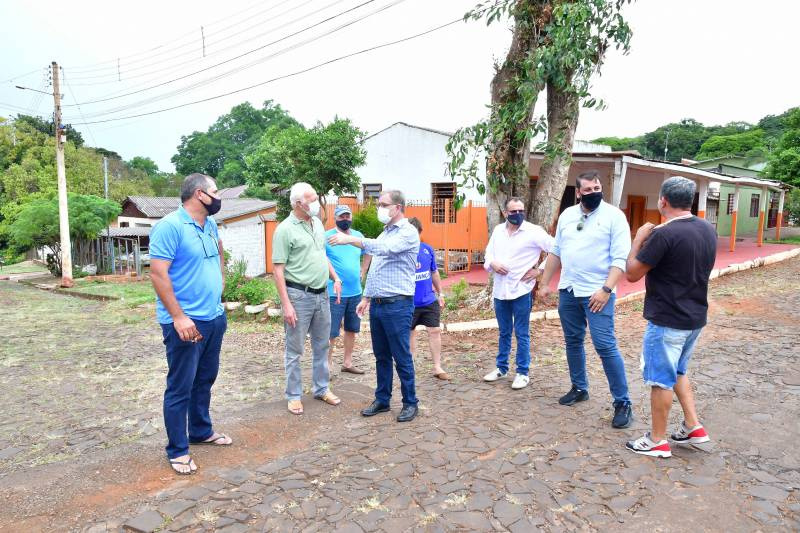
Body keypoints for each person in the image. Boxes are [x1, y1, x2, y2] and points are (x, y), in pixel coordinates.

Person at [624, 176, 717, 457]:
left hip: (667, 319)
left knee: (661, 379)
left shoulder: (664, 234)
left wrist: (639, 238)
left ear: (662, 201)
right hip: (694, 316)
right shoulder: (706, 229)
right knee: (677, 371)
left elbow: (631, 273)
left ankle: (657, 440)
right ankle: (693, 426)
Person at [149, 173, 232, 475]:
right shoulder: (169, 226)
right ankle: (178, 449)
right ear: (199, 194)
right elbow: (158, 274)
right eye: (215, 191)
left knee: (205, 380)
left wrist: (220, 285)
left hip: (213, 317)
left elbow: (220, 253)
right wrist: (179, 316)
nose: (219, 196)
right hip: (186, 322)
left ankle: (200, 430)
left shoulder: (209, 224)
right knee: (180, 387)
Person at [539, 170, 634, 428]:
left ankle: (622, 402)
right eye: (588, 190)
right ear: (578, 192)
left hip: (597, 293)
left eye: (597, 188)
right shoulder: (568, 216)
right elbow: (556, 252)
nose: (594, 193)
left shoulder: (615, 216)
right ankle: (579, 388)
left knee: (605, 345)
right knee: (573, 341)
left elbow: (619, 257)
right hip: (569, 290)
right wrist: (545, 283)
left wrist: (606, 290)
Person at [328, 190, 420, 422]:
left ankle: (410, 402)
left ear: (398, 207)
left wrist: (351, 239)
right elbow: (377, 268)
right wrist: (367, 298)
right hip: (378, 305)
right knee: (381, 356)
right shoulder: (385, 232)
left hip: (398, 305)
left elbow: (383, 250)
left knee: (401, 356)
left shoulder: (407, 232)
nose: (379, 208)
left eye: (383, 204)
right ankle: (383, 399)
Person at [272, 182, 342, 416]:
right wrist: (287, 305)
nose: (316, 203)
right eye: (311, 199)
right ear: (297, 203)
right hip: (298, 295)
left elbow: (320, 254)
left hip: (322, 294)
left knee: (323, 344)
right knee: (295, 349)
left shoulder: (318, 224)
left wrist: (335, 277)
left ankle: (321, 388)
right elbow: (278, 269)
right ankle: (293, 395)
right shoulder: (284, 229)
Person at [482, 197, 554, 390]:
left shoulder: (533, 231)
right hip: (500, 290)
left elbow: (556, 249)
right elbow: (488, 254)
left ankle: (522, 372)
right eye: (513, 211)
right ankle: (501, 368)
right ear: (505, 213)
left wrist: (539, 271)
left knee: (522, 333)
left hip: (521, 290)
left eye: (521, 210)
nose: (517, 215)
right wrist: (492, 263)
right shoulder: (498, 231)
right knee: (504, 332)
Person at [325, 204, 371, 375]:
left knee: (352, 329)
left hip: (355, 292)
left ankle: (347, 362)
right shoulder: (327, 236)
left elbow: (369, 249)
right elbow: (322, 257)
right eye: (341, 217)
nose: (345, 220)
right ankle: (327, 365)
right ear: (335, 218)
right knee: (331, 332)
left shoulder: (358, 236)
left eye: (347, 216)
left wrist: (364, 269)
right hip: (334, 293)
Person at [407, 217, 448, 380]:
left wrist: (441, 293)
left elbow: (434, 273)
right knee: (410, 333)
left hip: (428, 300)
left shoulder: (427, 250)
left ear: (419, 233)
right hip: (408, 302)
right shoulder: (401, 252)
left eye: (414, 234)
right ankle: (410, 366)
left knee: (435, 331)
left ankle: (437, 367)